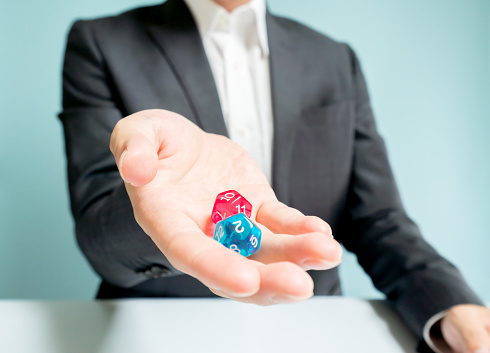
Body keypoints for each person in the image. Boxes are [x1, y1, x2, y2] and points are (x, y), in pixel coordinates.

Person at [59, 0, 490, 351]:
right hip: (158, 335)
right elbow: (97, 232)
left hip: (313, 332)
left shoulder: (335, 59)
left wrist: (450, 303)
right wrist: (154, 212)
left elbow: (380, 220)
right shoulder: (100, 43)